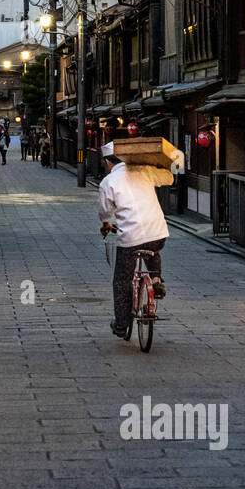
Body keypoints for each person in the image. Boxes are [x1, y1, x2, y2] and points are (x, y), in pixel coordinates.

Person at [98, 141, 171, 340]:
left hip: (130, 239)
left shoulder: (108, 182)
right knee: (153, 250)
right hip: (158, 232)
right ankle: (155, 280)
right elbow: (169, 178)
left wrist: (106, 224)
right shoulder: (143, 170)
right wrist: (159, 165)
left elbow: (105, 212)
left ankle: (121, 325)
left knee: (122, 279)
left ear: (108, 161)